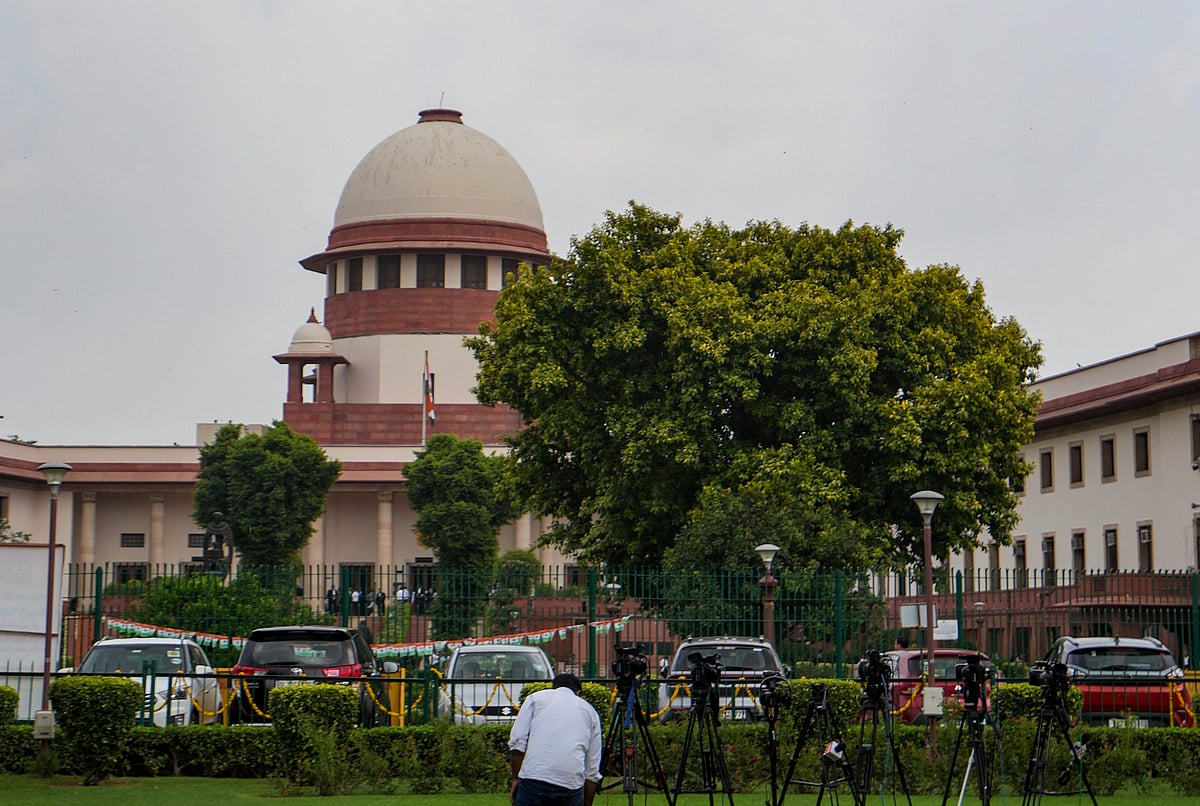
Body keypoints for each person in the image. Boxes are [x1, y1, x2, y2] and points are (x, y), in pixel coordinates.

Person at [508, 672, 602, 806]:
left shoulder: (535, 699)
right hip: (570, 783)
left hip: (533, 778)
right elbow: (592, 768)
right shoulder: (590, 711)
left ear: (554, 687)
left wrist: (516, 778)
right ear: (578, 692)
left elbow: (517, 743)